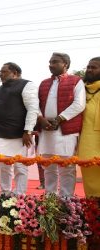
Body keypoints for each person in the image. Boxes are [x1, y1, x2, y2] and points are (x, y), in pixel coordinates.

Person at [37, 52, 86, 197]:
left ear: (65, 64)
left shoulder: (76, 81)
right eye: (50, 62)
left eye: (55, 62)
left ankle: (66, 199)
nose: (51, 65)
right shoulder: (44, 83)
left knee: (67, 167)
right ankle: (50, 197)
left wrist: (59, 119)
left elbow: (79, 104)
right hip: (46, 130)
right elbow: (36, 104)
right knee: (48, 166)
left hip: (66, 130)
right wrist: (41, 119)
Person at [0, 62, 39, 194]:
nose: (0, 74)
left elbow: (33, 109)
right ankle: (5, 193)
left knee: (20, 166)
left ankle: (19, 195)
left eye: (3, 72)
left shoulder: (27, 85)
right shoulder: (0, 88)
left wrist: (28, 131)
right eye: (0, 72)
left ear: (15, 73)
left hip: (19, 134)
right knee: (3, 165)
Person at [78, 57, 100, 197]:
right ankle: (93, 210)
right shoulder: (80, 89)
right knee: (89, 171)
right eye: (88, 67)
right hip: (87, 140)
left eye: (94, 67)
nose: (90, 70)